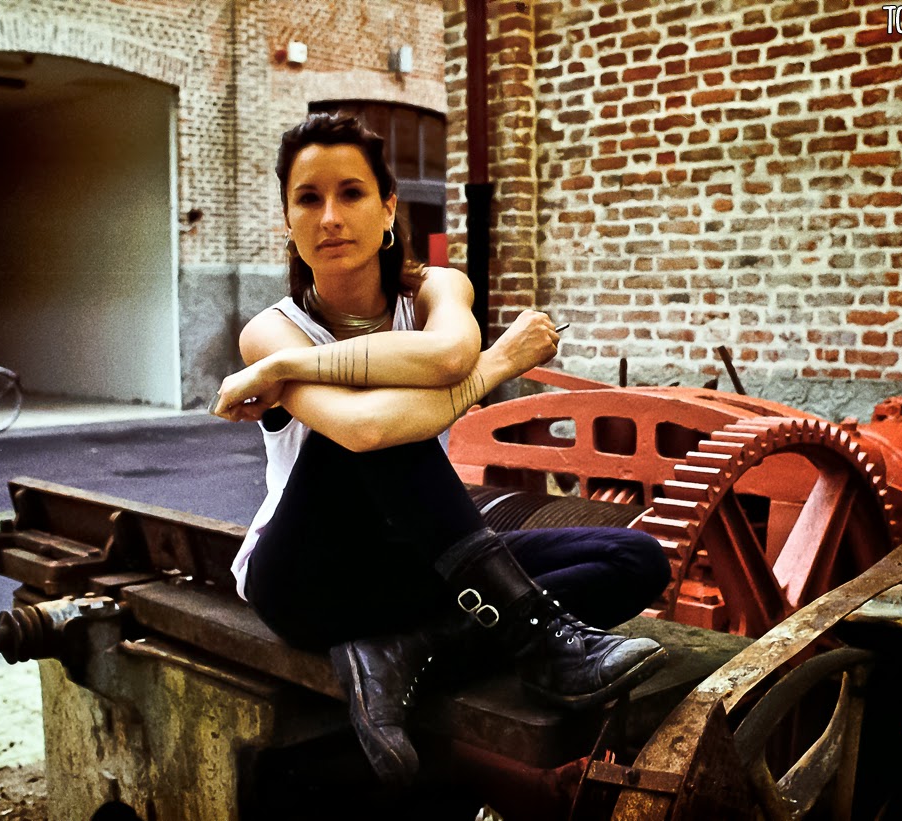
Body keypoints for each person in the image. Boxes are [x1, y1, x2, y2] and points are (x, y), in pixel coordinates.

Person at [212, 112, 671, 787]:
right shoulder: (271, 332)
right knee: (382, 425)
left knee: (635, 559)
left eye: (351, 193)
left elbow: (452, 353)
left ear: (388, 208)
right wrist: (500, 361)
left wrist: (287, 373)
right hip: (306, 581)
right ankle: (540, 643)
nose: (330, 216)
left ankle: (404, 650)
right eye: (308, 199)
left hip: (418, 567)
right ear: (288, 221)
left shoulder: (436, 290)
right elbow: (367, 431)